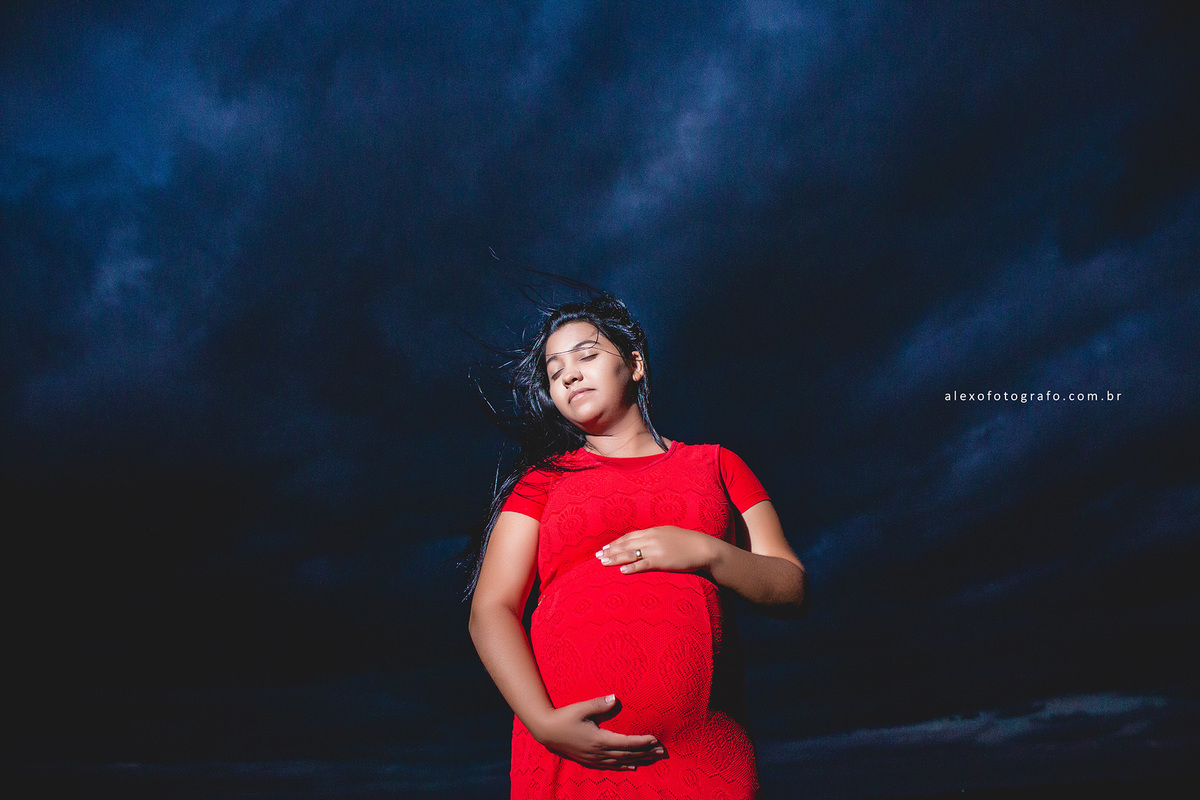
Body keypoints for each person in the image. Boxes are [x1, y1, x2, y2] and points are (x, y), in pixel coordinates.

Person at [467, 294, 806, 799]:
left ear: (636, 364)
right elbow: (490, 608)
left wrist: (708, 551)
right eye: (554, 369)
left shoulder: (717, 465)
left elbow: (791, 585)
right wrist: (543, 723)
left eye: (586, 355)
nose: (569, 375)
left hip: (704, 758)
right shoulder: (540, 483)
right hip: (572, 754)